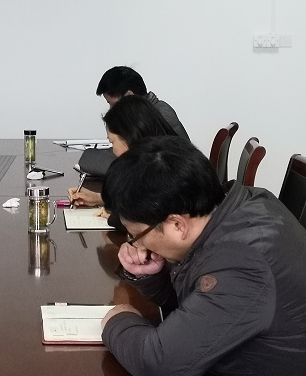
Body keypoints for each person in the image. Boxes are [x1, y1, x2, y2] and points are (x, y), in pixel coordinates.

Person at [100, 136, 306, 375]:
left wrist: (117, 320)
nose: (137, 244)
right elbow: (197, 307)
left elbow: (159, 364)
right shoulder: (242, 206)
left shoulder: (241, 266)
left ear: (177, 225)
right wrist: (153, 276)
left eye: (136, 235)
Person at [68, 95, 177, 228]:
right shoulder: (163, 156)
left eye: (112, 142)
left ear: (129, 137)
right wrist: (100, 199)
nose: (113, 150)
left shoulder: (164, 169)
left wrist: (118, 216)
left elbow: (154, 218)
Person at [79, 66, 189, 176]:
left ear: (129, 96)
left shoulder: (153, 117)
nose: (112, 110)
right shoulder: (149, 112)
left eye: (113, 104)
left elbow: (143, 167)